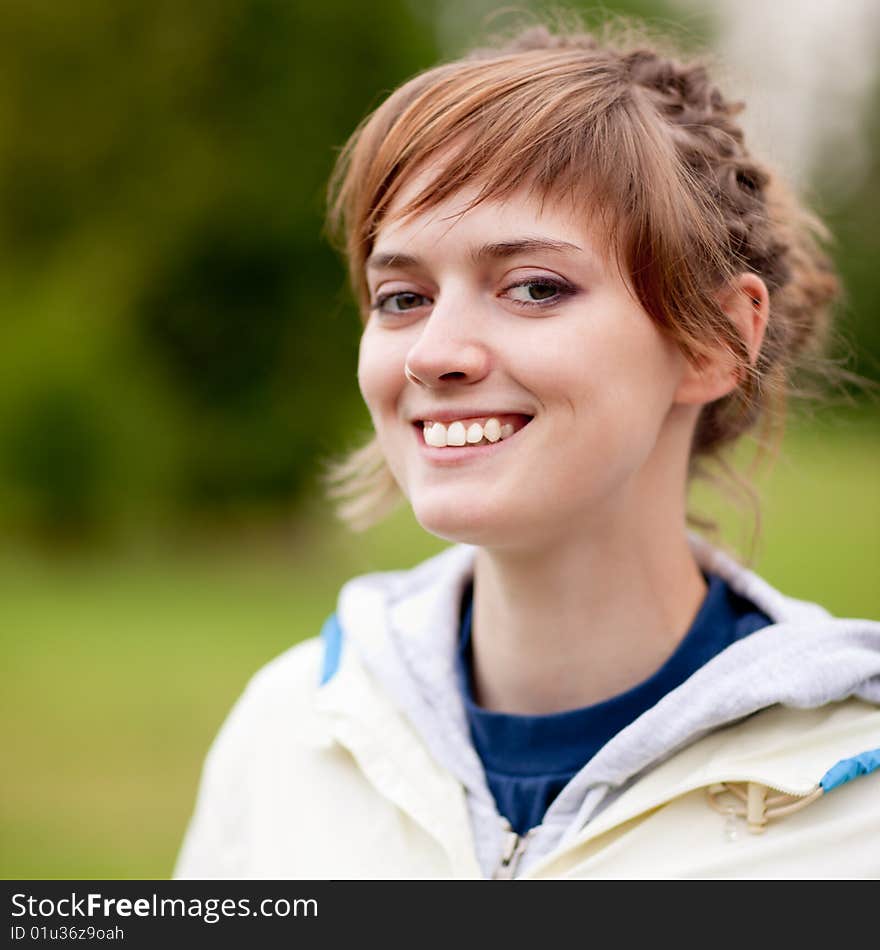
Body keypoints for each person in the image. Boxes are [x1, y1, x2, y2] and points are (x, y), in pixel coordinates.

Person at [174, 20, 880, 880]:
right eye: (401, 297)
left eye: (535, 288)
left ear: (714, 340)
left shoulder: (858, 811)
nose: (436, 351)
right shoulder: (286, 735)